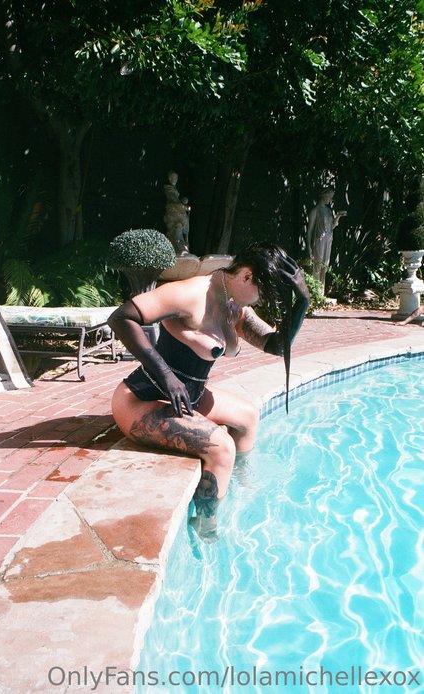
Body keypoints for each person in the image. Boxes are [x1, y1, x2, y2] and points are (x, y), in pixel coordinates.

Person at [107, 243, 310, 542]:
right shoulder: (190, 293)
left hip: (188, 398)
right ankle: (205, 525)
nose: (261, 301)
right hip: (142, 399)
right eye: (262, 293)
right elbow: (121, 318)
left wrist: (303, 301)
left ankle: (238, 489)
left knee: (248, 417)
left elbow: (278, 346)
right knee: (222, 448)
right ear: (246, 276)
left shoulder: (235, 308)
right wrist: (167, 376)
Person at [307, 187, 346, 292]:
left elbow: (331, 226)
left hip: (328, 240)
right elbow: (309, 230)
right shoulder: (315, 210)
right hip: (319, 240)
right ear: (324, 195)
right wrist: (309, 247)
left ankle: (321, 292)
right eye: (329, 196)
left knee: (325, 265)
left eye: (331, 197)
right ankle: (314, 291)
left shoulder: (329, 211)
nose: (330, 199)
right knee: (317, 264)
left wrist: (338, 216)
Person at [163, 171, 190, 255]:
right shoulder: (168, 188)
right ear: (169, 178)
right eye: (173, 177)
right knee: (175, 230)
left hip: (176, 211)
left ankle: (184, 242)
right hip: (172, 211)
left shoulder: (174, 188)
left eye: (176, 177)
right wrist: (184, 206)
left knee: (181, 227)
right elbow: (174, 201)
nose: (175, 179)